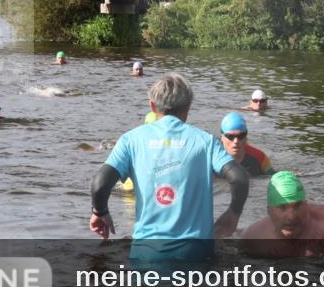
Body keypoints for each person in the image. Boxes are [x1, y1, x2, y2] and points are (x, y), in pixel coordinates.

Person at [89, 73, 251, 262]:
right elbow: (239, 177)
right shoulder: (206, 142)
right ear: (189, 106)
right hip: (196, 254)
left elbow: (99, 184)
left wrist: (100, 212)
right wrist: (233, 214)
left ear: (152, 105)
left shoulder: (130, 140)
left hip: (146, 254)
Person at [219, 112, 274, 177]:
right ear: (222, 137)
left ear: (246, 137)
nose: (236, 141)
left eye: (241, 136)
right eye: (230, 136)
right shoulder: (211, 158)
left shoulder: (260, 158)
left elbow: (275, 179)